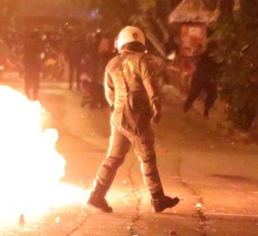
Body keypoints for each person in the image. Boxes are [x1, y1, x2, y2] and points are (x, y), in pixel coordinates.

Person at [87, 26, 179, 213]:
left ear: (121, 42)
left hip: (118, 116)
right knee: (147, 156)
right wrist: (156, 107)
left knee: (114, 157)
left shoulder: (112, 63)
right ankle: (157, 198)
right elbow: (150, 85)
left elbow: (109, 93)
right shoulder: (142, 60)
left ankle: (96, 195)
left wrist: (117, 108)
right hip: (136, 115)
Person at [183, 41, 219, 118]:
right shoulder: (205, 56)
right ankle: (185, 109)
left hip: (205, 80)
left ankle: (205, 111)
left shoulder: (209, 56)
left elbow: (215, 67)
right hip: (200, 79)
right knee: (193, 94)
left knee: (211, 93)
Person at [22, 31, 43, 101]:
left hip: (30, 66)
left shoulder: (29, 45)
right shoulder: (36, 46)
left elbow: (25, 56)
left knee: (30, 81)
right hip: (33, 66)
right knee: (34, 81)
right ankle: (32, 94)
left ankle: (30, 94)